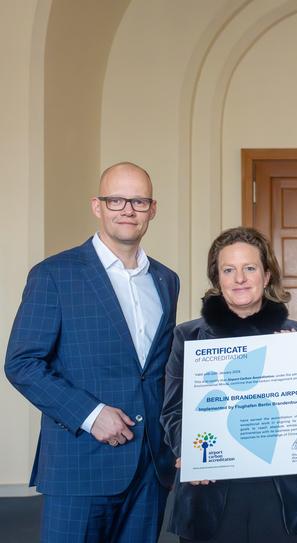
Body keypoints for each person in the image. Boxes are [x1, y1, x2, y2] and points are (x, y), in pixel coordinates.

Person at [5, 162, 180, 542]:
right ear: (97, 206)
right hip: (80, 465)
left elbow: (160, 370)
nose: (127, 209)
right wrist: (91, 414)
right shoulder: (54, 274)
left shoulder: (166, 280)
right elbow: (22, 363)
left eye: (138, 200)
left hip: (150, 469)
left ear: (152, 209)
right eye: (116, 199)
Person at [160, 226, 297, 543]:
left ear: (266, 274)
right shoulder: (187, 337)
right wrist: (192, 454)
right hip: (209, 491)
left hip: (282, 495)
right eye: (228, 270)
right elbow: (172, 411)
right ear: (217, 279)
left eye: (249, 268)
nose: (240, 279)